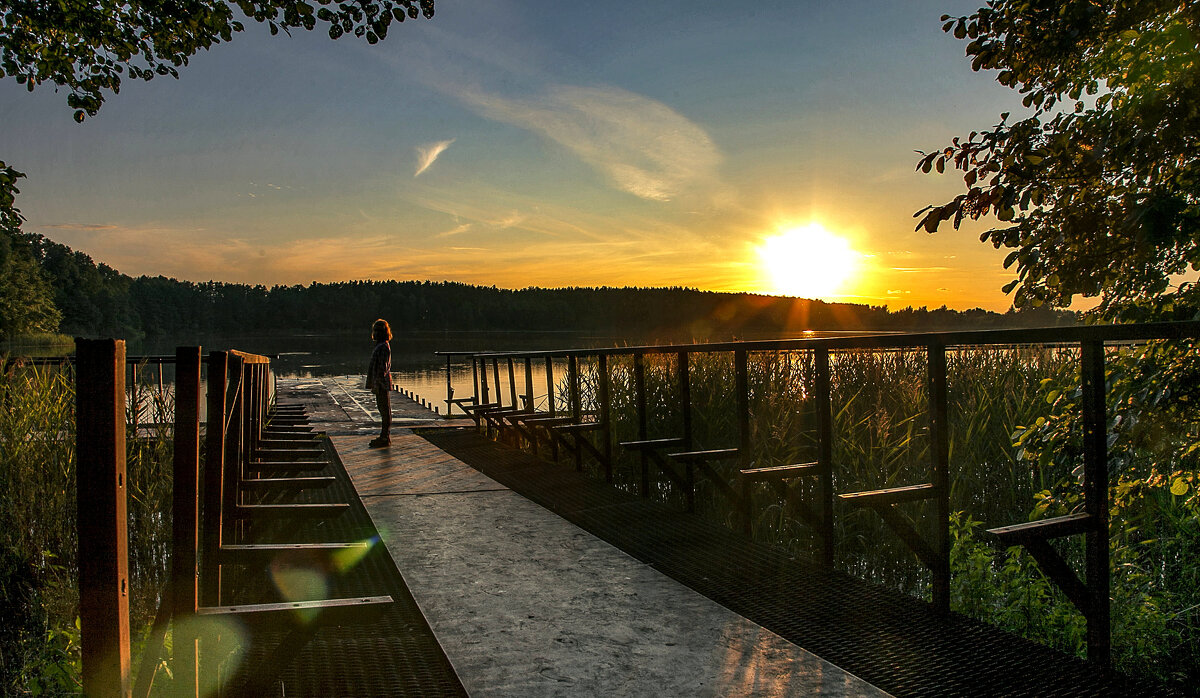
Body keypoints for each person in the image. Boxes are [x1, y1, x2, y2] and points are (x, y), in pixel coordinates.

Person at [365, 318, 393, 447]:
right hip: (379, 382)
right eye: (374, 330)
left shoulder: (383, 346)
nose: (375, 333)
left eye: (377, 330)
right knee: (382, 409)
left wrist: (377, 384)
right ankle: (383, 436)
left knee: (385, 410)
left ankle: (385, 437)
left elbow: (382, 368)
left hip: (381, 383)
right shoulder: (380, 345)